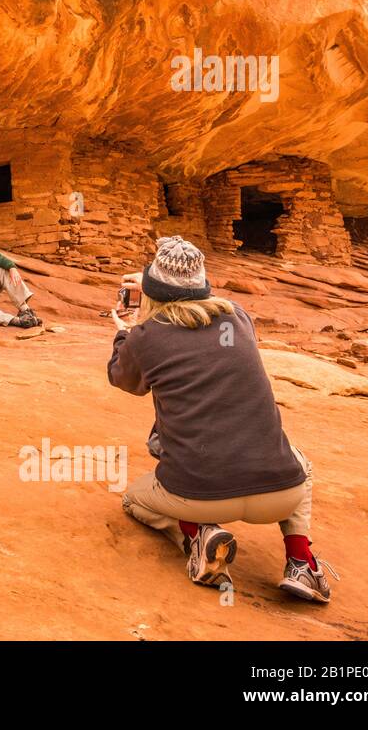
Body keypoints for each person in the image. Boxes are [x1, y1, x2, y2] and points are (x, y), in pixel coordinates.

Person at [106, 236, 337, 602]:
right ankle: (301, 562)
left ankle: (198, 535)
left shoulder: (145, 337)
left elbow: (124, 380)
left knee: (135, 499)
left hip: (197, 495)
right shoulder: (238, 318)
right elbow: (203, 319)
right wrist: (161, 289)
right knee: (301, 463)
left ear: (151, 289)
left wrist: (125, 332)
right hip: (279, 494)